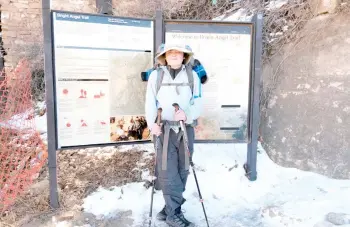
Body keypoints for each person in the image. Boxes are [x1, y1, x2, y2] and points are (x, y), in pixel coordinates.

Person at [145, 43, 203, 227]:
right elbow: (149, 103)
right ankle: (173, 214)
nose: (174, 55)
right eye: (170, 52)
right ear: (165, 56)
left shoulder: (193, 75)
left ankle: (169, 207)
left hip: (185, 128)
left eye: (178, 52)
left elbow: (198, 101)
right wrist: (152, 124)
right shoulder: (156, 75)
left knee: (183, 169)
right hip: (163, 130)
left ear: (184, 56)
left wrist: (188, 115)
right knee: (167, 170)